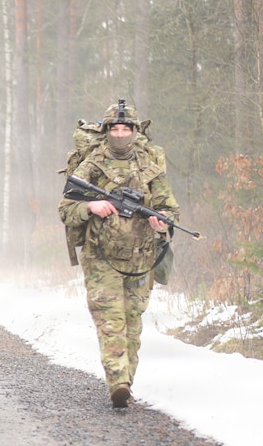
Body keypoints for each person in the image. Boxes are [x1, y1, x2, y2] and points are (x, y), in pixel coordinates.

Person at [57, 100, 180, 409]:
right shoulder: (92, 165)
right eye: (116, 129)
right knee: (111, 321)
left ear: (135, 132)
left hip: (141, 256)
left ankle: (127, 380)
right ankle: (118, 382)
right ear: (107, 130)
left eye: (127, 129)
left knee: (132, 323)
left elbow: (168, 205)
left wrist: (161, 218)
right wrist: (90, 206)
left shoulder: (149, 164)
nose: (121, 134)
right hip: (101, 257)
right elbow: (66, 208)